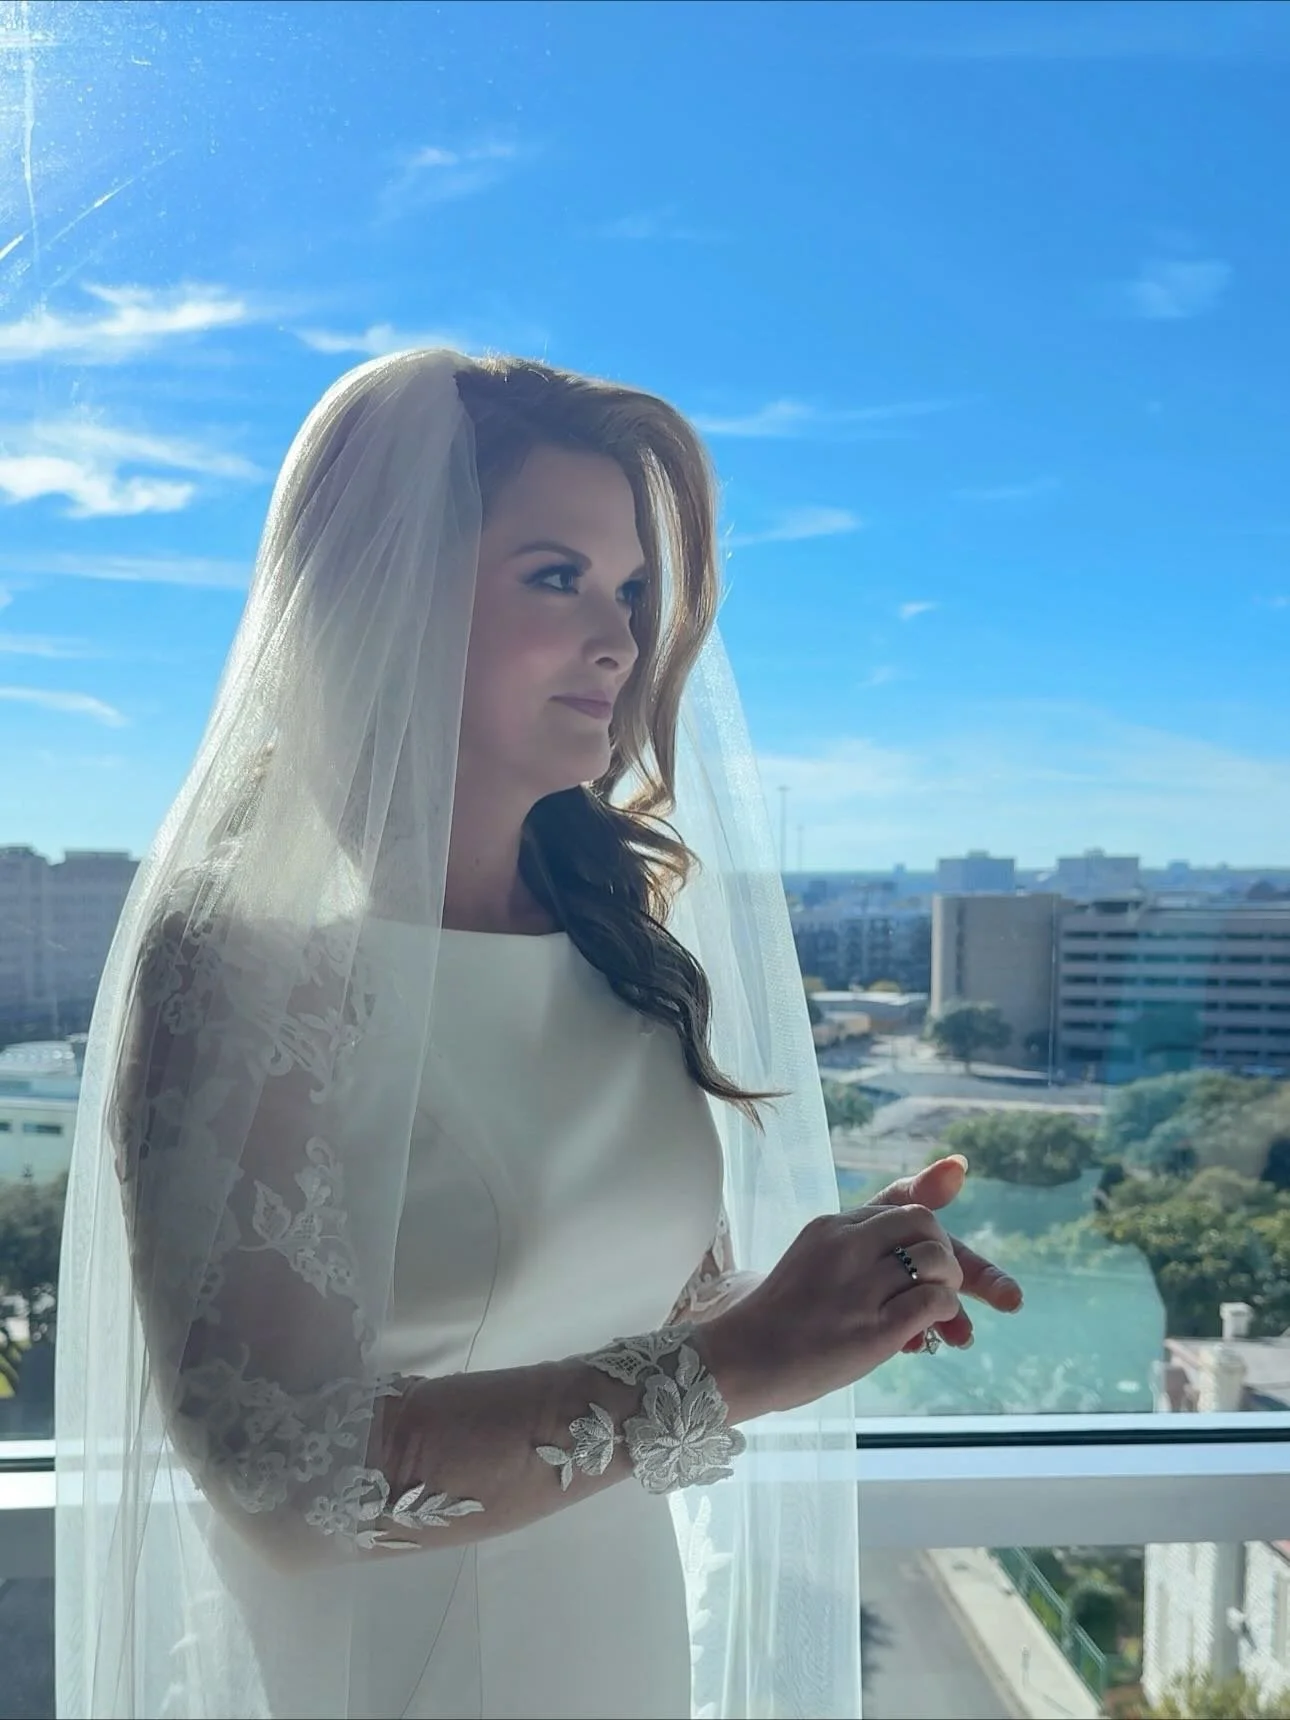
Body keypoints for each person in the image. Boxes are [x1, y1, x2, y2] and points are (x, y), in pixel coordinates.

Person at [53, 350, 1022, 1720]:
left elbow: (642, 1338)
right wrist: (729, 1364)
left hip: (619, 1660)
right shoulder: (243, 966)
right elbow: (285, 1482)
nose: (621, 641)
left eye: (632, 591)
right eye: (555, 576)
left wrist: (833, 1293)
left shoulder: (615, 947)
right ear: (380, 594)